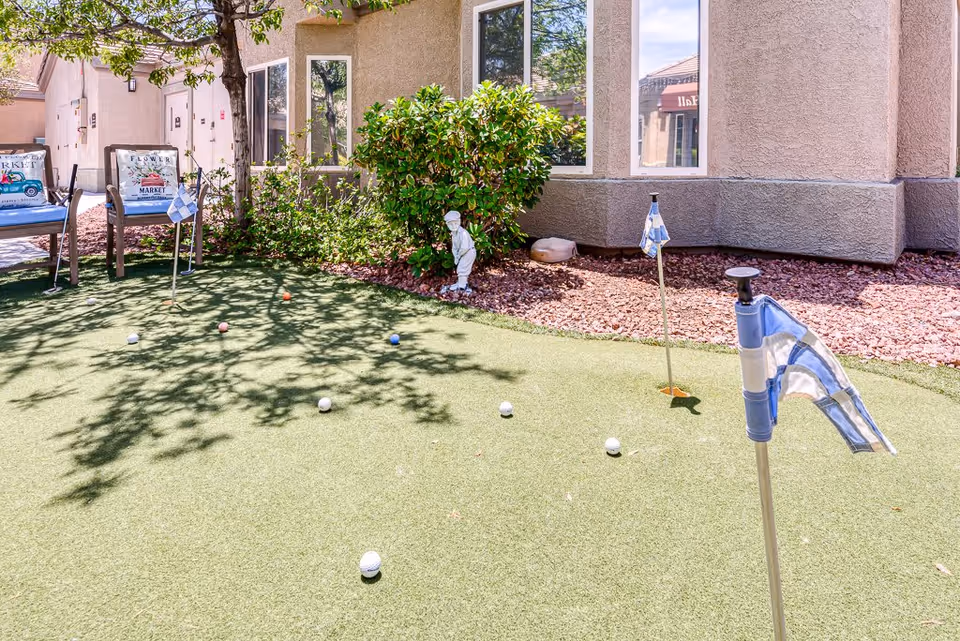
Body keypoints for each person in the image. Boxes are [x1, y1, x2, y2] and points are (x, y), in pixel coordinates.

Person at [440, 210, 476, 294]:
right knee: (460, 268)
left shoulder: (463, 233)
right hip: (463, 253)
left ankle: (462, 285)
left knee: (462, 269)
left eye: (455, 223)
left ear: (459, 222)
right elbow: (454, 247)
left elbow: (465, 247)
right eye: (451, 224)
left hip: (469, 252)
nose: (453, 226)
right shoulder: (454, 234)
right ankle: (461, 283)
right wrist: (455, 256)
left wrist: (458, 255)